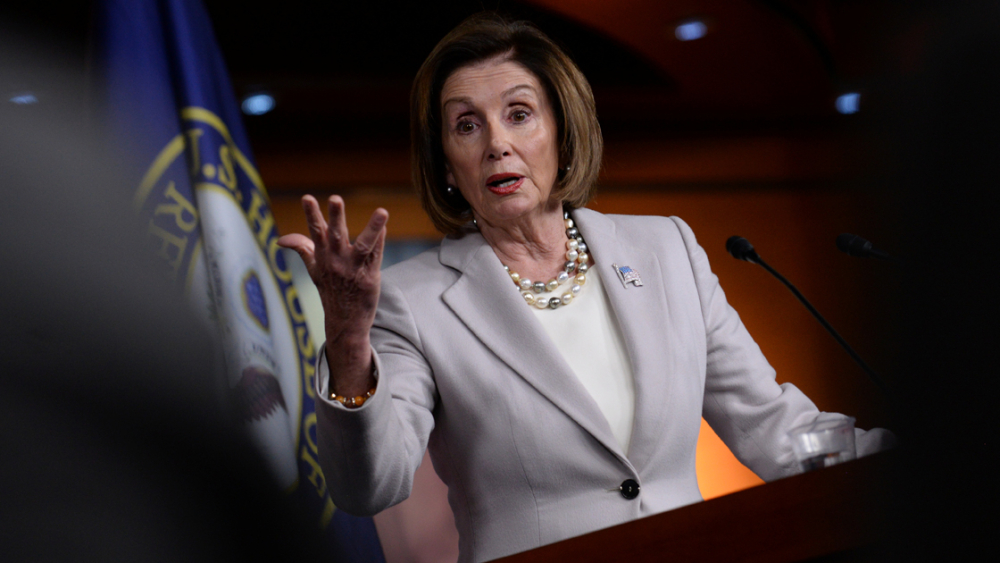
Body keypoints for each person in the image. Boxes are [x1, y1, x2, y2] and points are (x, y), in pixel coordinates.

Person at [277, 13, 894, 563]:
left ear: (562, 134)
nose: (497, 143)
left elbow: (776, 426)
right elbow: (370, 487)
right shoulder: (414, 300)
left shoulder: (666, 249)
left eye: (519, 114)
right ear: (444, 165)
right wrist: (350, 339)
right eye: (466, 126)